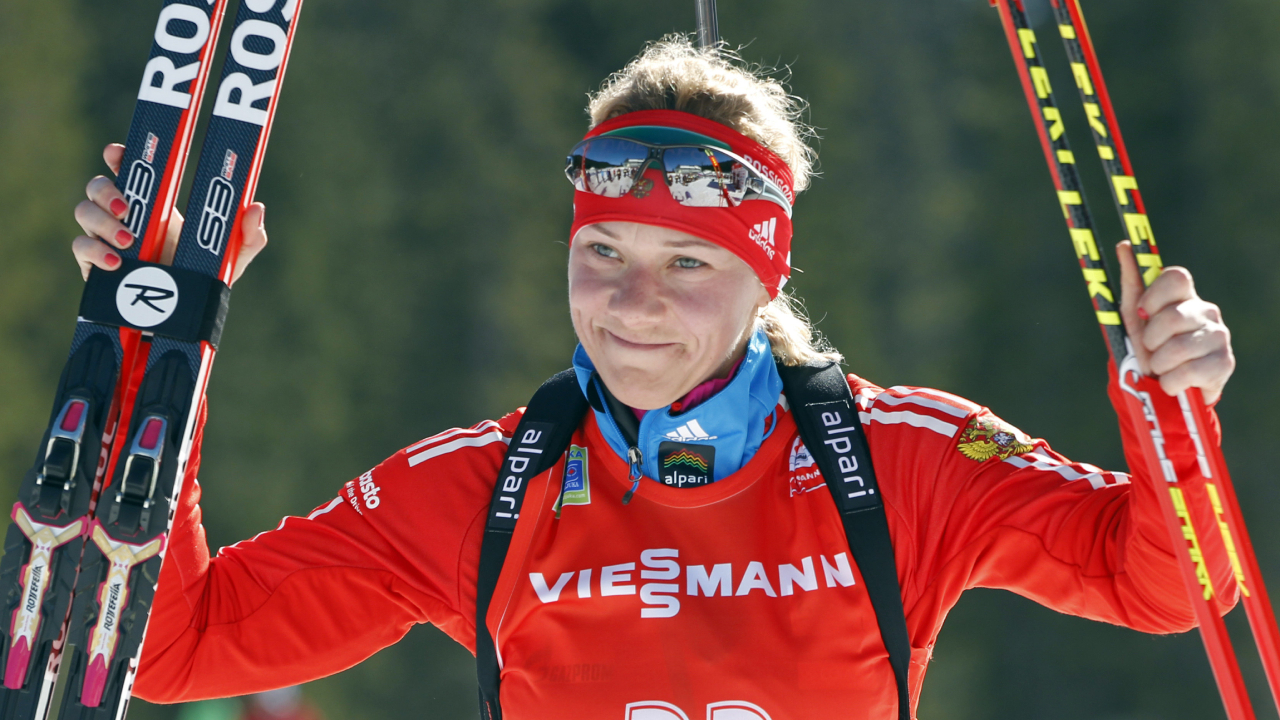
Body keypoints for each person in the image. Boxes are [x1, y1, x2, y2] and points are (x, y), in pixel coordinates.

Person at [69, 38, 1236, 719]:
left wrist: (1165, 404)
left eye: (688, 263)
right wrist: (157, 346)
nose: (635, 305)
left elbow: (1172, 590)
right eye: (602, 254)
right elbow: (171, 645)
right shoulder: (485, 490)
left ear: (764, 273)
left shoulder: (902, 459)